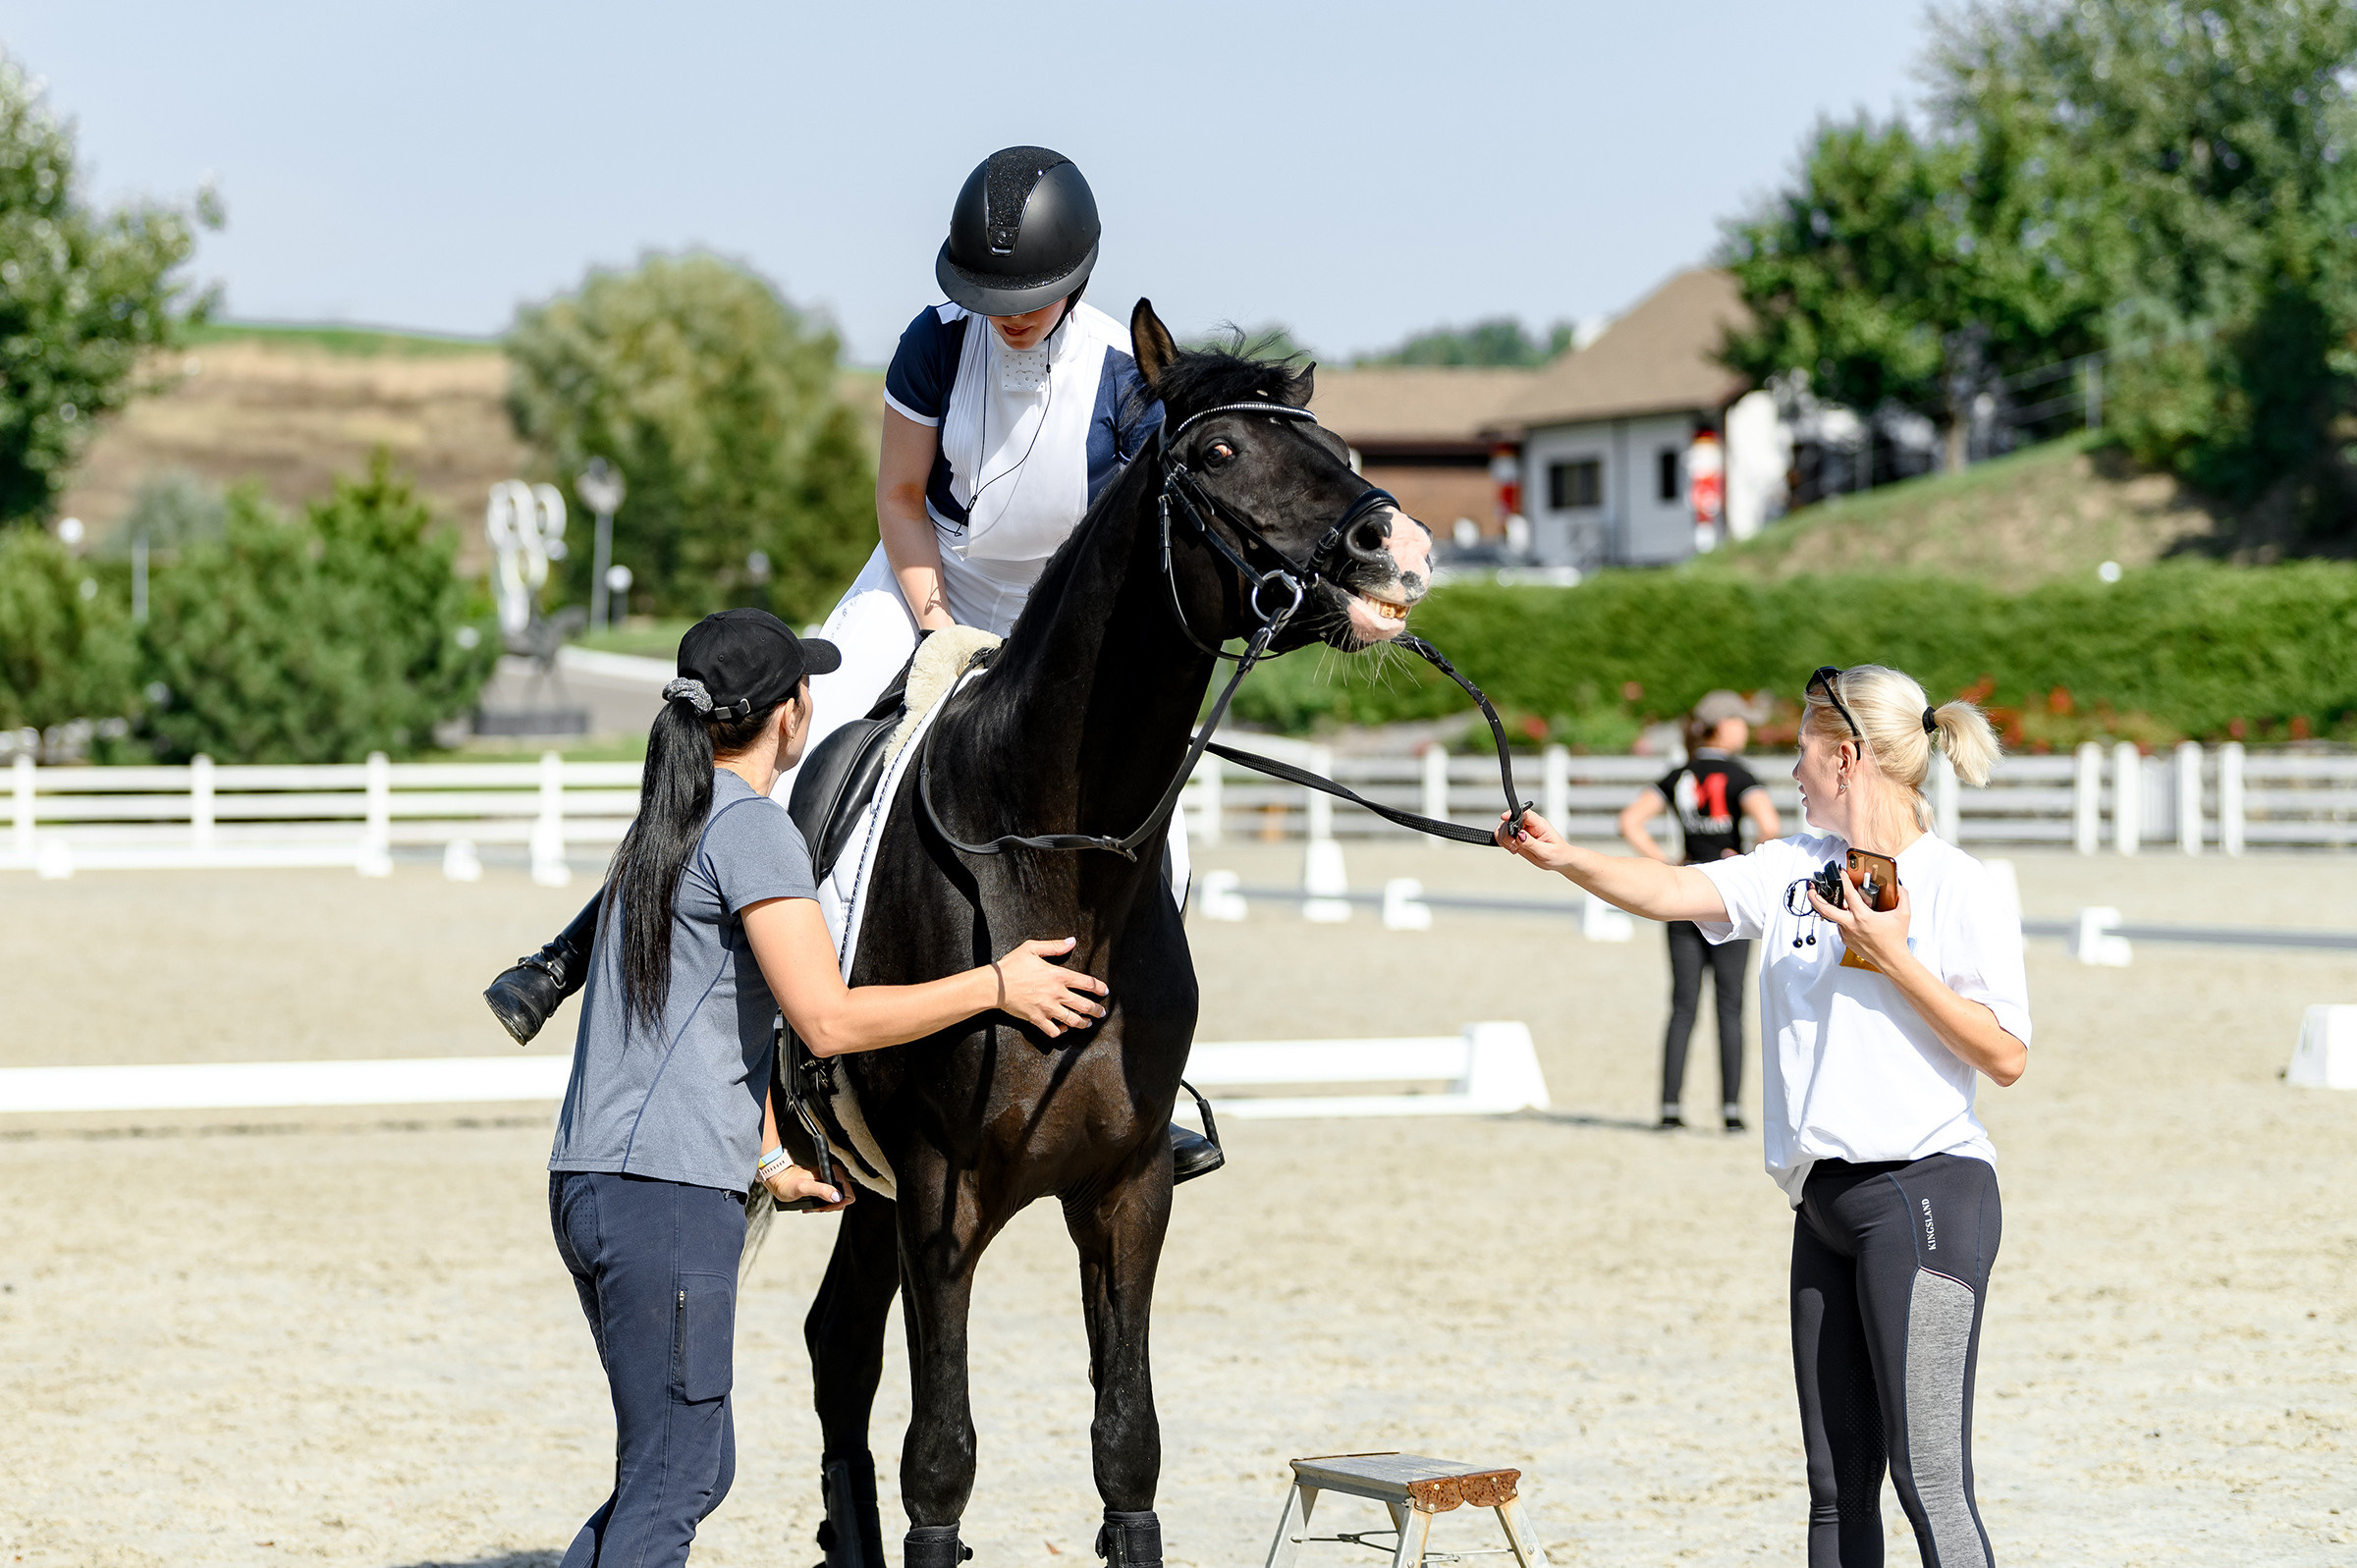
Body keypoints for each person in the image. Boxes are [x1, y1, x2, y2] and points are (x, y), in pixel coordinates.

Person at [547, 609, 1109, 1568]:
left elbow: (702, 1022)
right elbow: (828, 1022)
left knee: (686, 1465)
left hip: (598, 1182)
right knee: (678, 1477)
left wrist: (771, 1154)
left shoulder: (659, 828)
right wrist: (998, 982)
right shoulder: (754, 830)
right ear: (793, 711)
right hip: (667, 1203)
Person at [1498, 664, 2028, 1568]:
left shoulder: (1957, 884)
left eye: (1802, 751)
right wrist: (1565, 857)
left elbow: (2006, 1054)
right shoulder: (1791, 868)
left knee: (1930, 1479)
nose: (1790, 772)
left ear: (1848, 757)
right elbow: (1669, 890)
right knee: (1834, 1489)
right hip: (1822, 1208)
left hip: (1927, 1198)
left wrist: (1892, 957)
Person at [1617, 689, 1781, 1132]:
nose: (1745, 729)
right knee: (1730, 1006)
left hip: (1682, 892)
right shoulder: (1740, 774)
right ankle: (1731, 1110)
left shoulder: (1678, 773)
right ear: (1723, 726)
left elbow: (1630, 820)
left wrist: (1665, 862)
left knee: (1682, 1005)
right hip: (1727, 896)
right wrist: (1748, 859)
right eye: (1740, 721)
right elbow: (1769, 825)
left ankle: (1670, 1108)